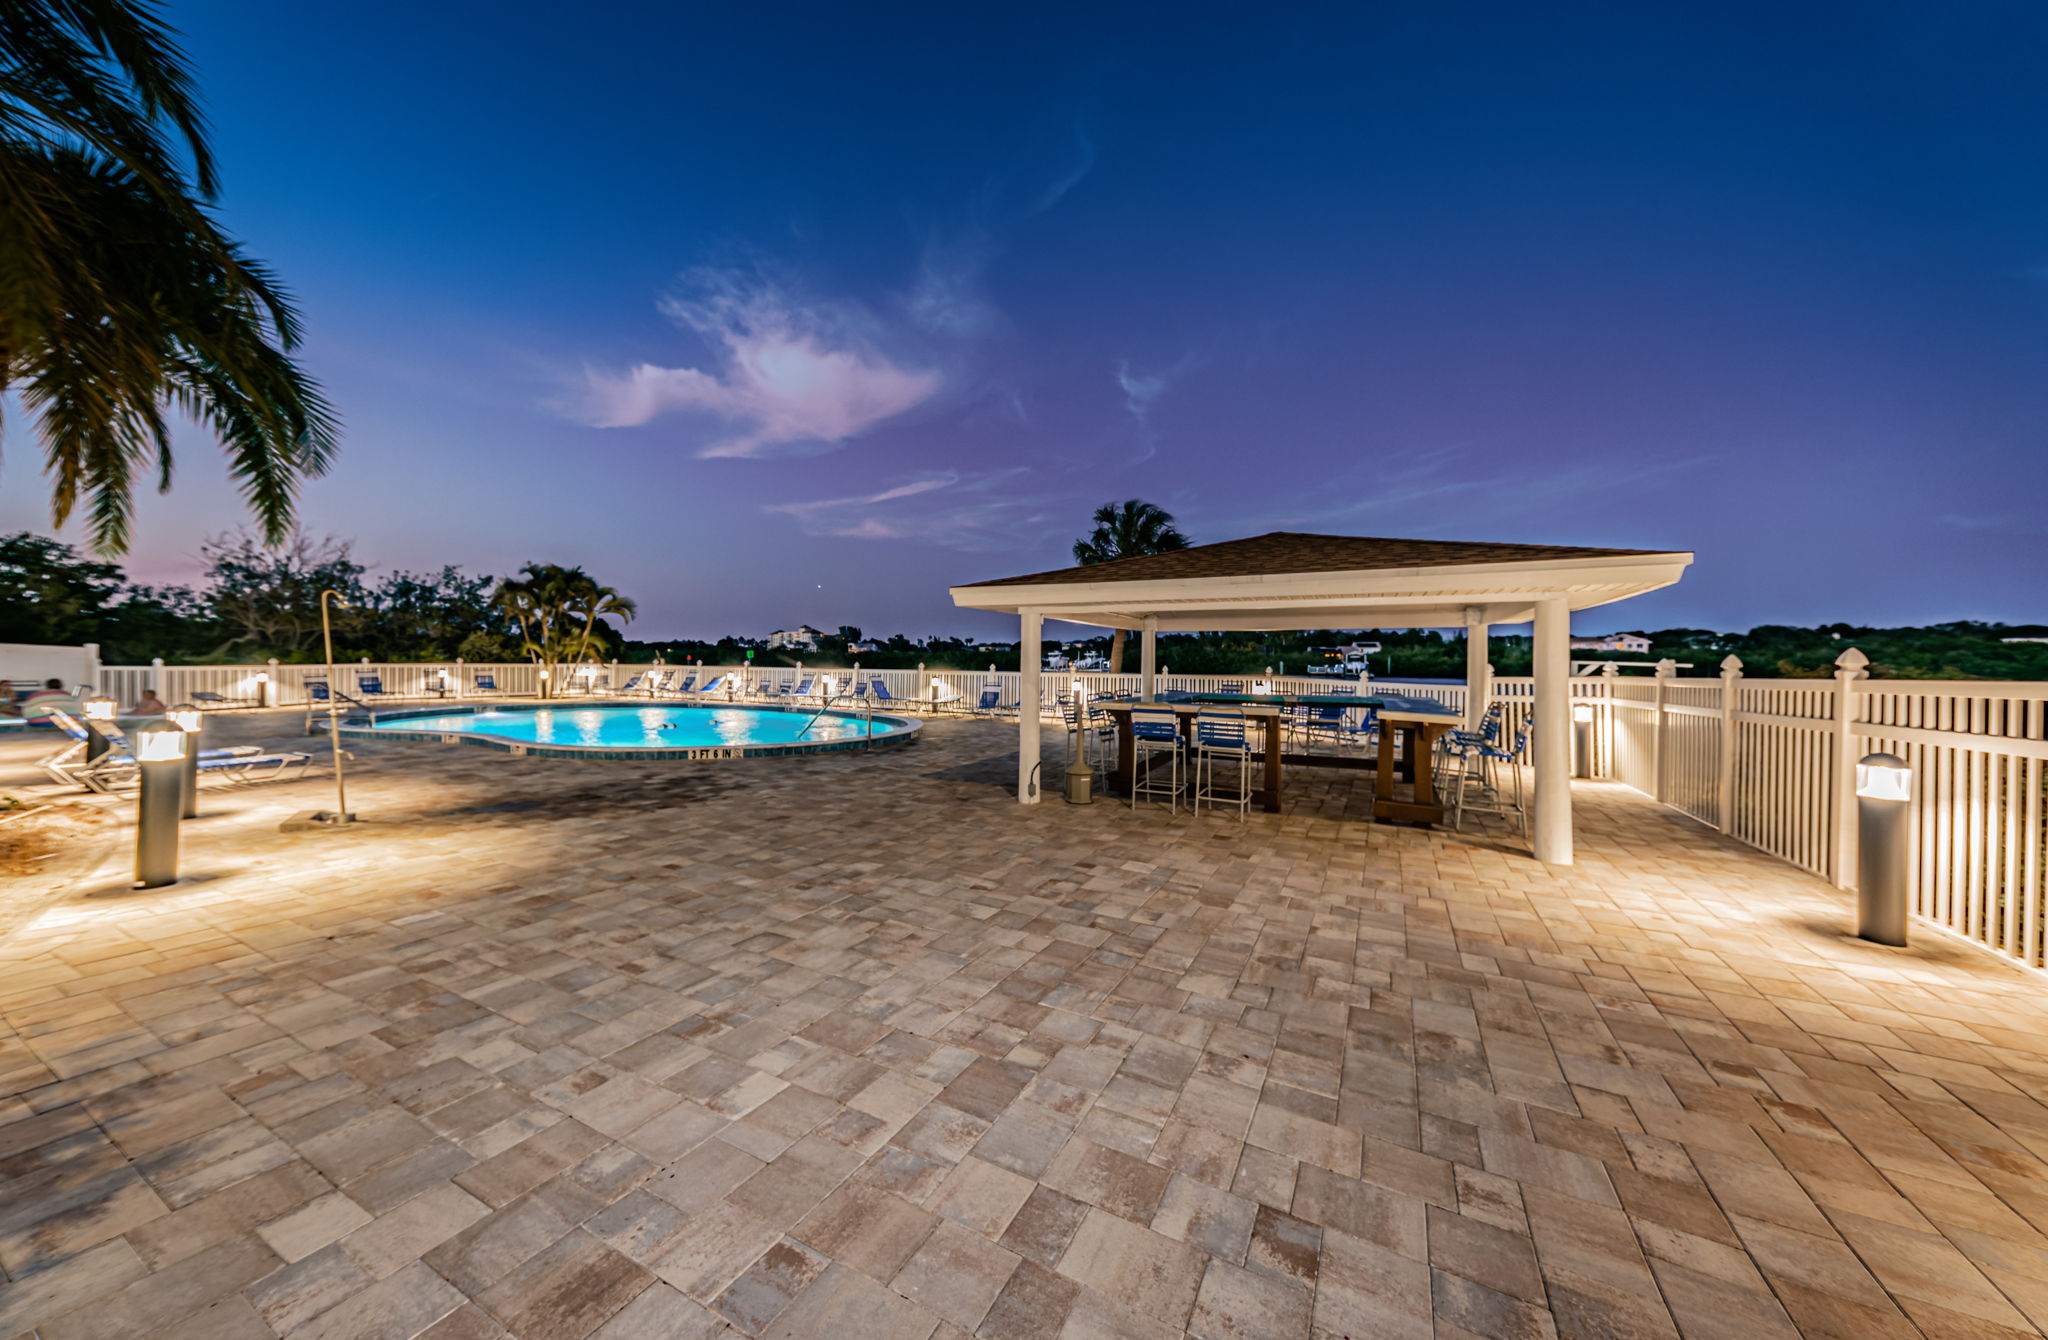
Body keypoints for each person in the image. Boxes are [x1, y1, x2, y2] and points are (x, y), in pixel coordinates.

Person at [18, 678, 84, 726]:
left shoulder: (36, 696)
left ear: (47, 686)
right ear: (61, 686)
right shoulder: (68, 696)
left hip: (38, 722)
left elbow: (25, 708)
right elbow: (77, 709)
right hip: (67, 723)